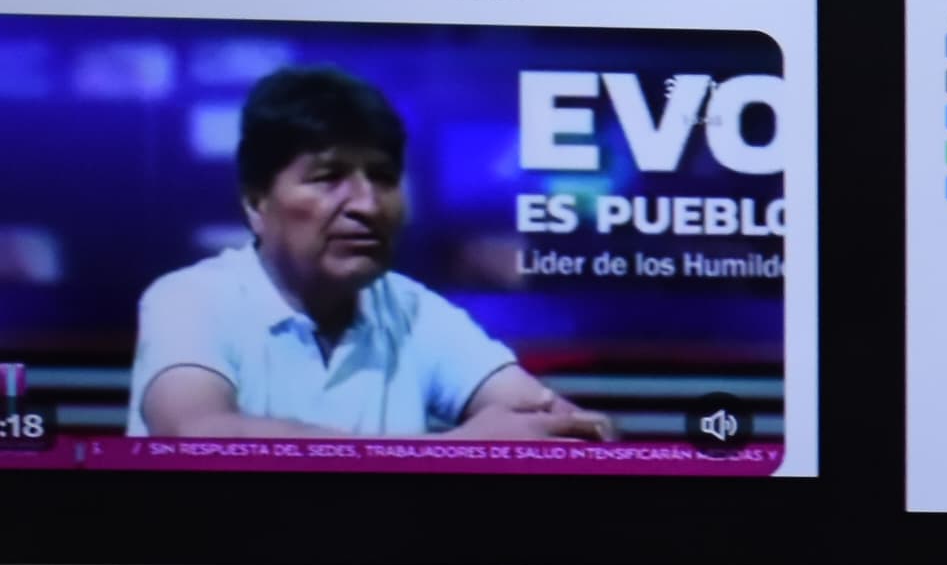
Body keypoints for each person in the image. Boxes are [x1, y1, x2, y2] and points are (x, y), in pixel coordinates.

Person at [131, 64, 613, 443]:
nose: (366, 205)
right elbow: (193, 435)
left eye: (382, 177)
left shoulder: (412, 310)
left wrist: (566, 429)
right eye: (326, 177)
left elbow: (560, 424)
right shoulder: (189, 297)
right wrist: (456, 449)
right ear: (257, 203)